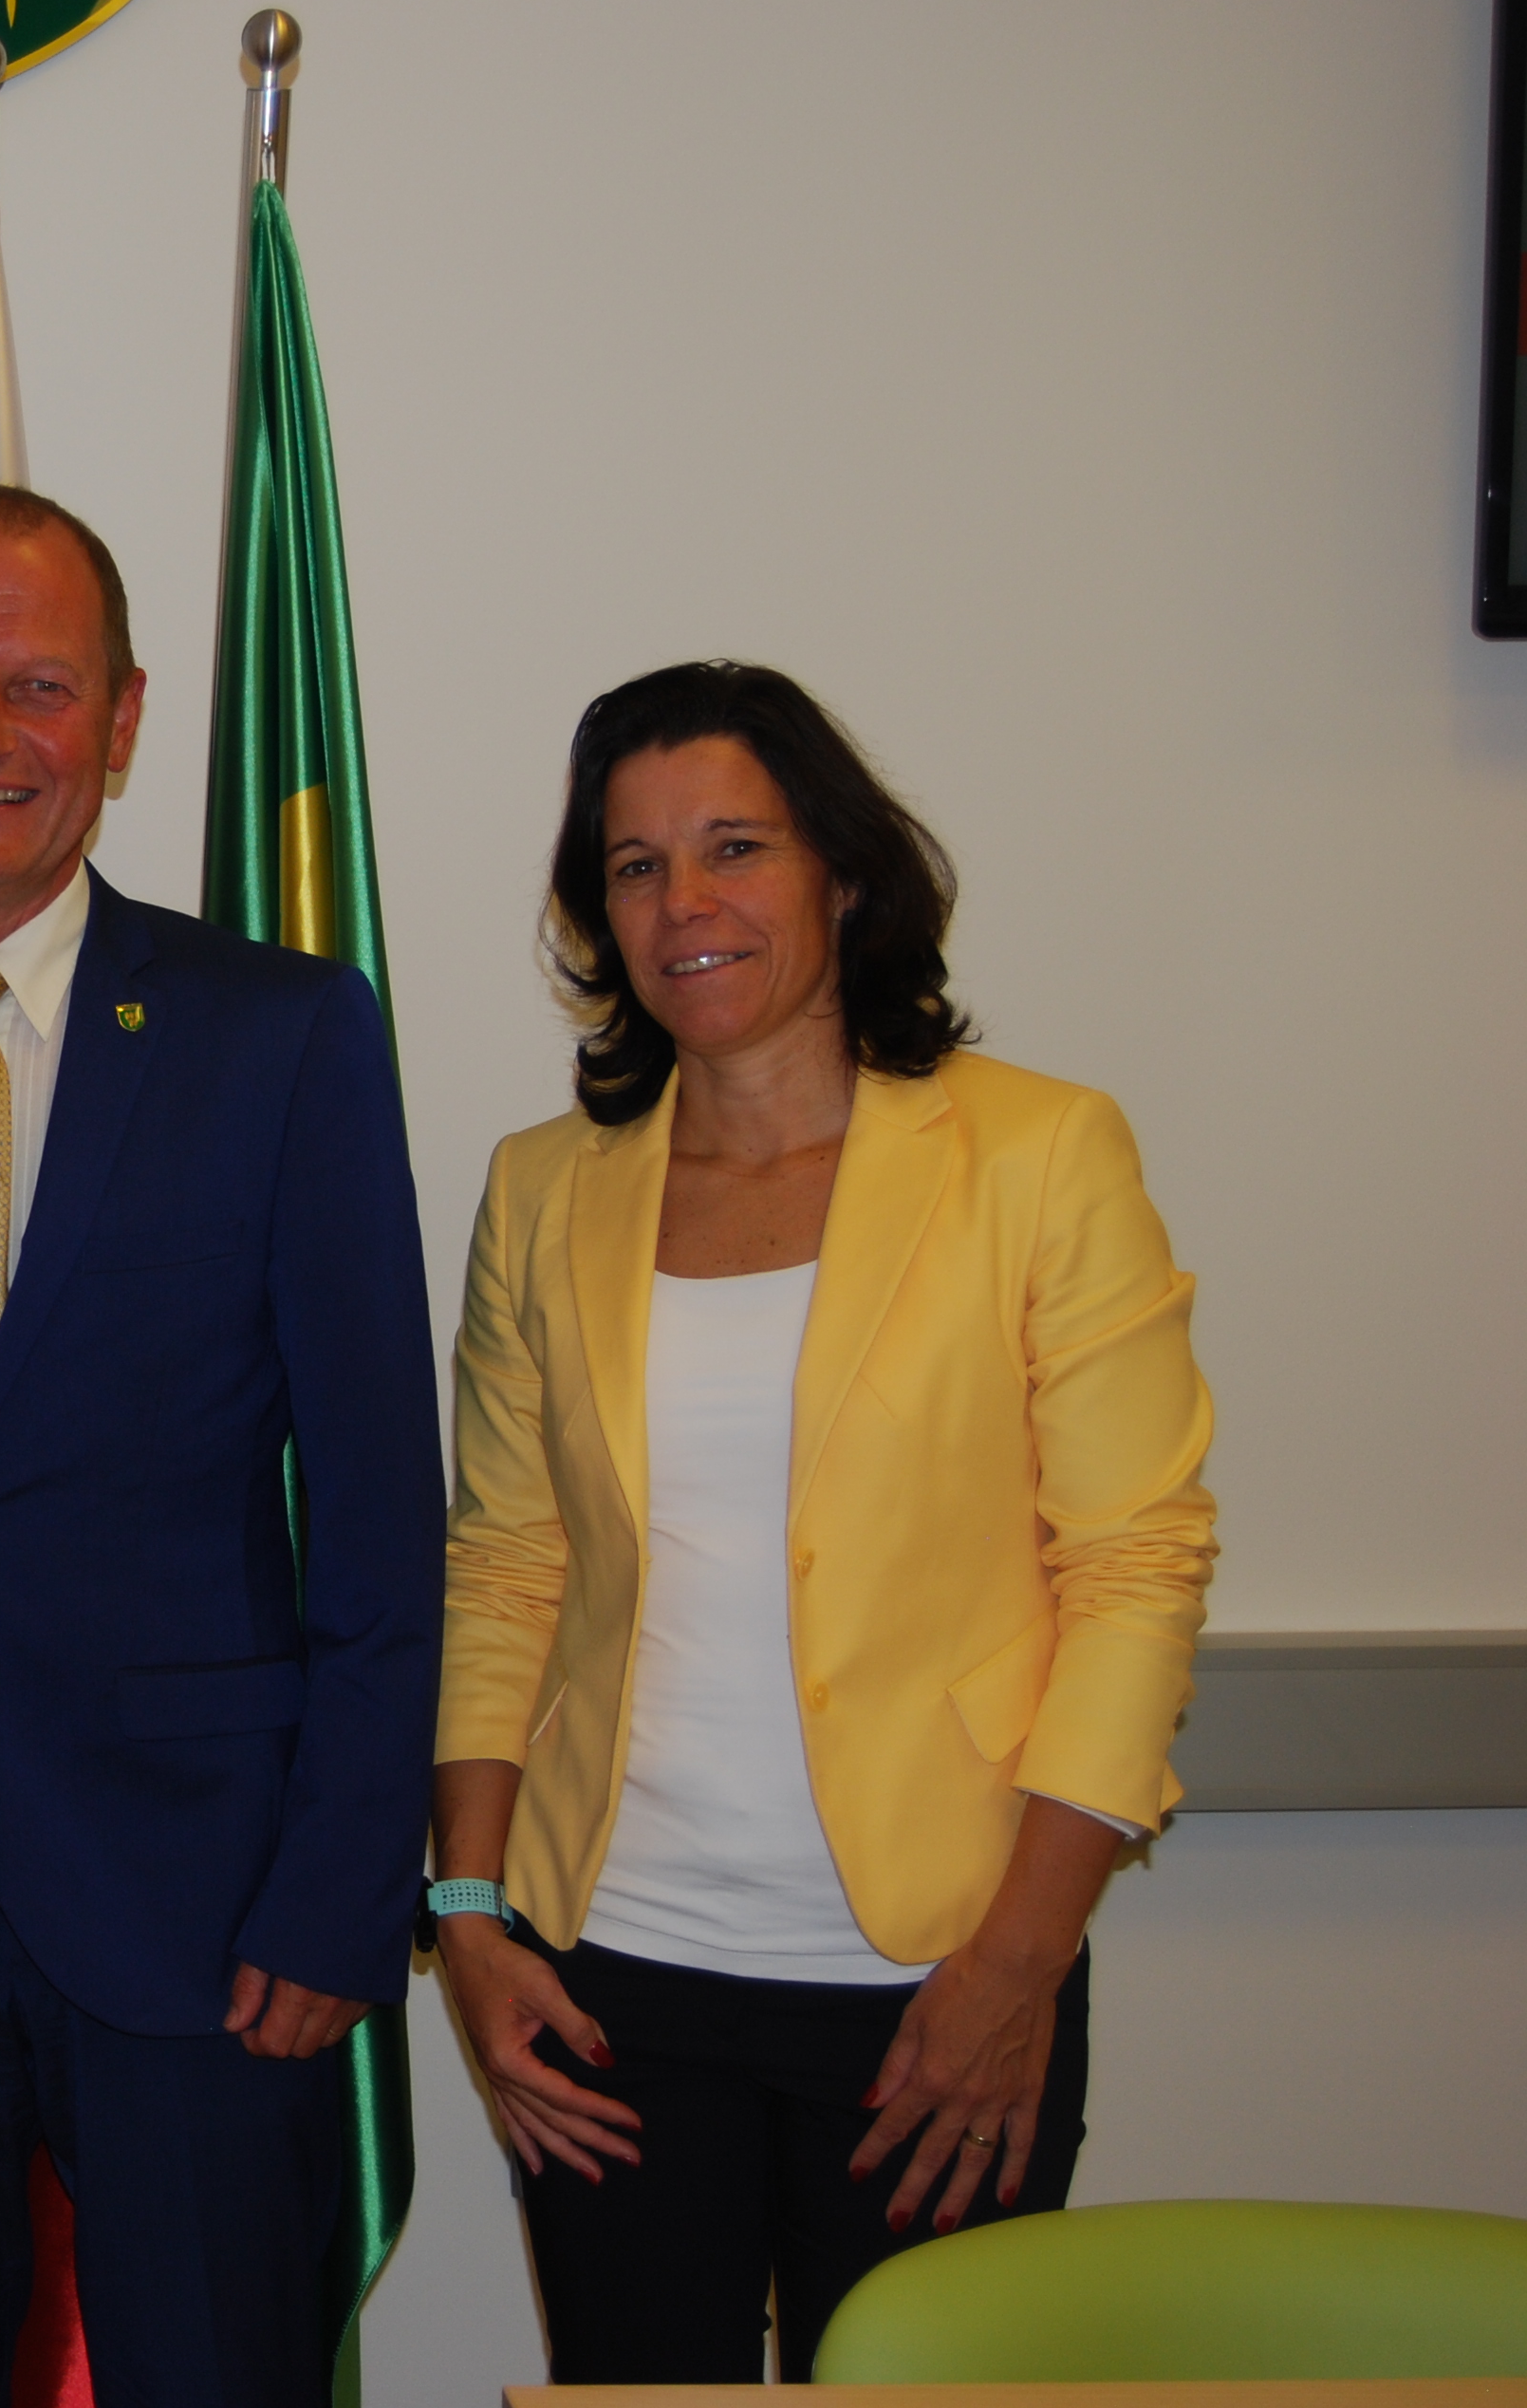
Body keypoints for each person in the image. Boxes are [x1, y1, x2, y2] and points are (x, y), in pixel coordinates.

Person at [429, 660, 1218, 2383]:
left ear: (843, 876)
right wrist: (469, 1917)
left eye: (735, 848)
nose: (684, 903)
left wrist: (1021, 1965)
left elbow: (1136, 1568)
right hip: (609, 1984)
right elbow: (503, 1564)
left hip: (943, 1976)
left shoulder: (1039, 1156)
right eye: (636, 866)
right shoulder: (544, 1188)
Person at [0, 487, 442, 2404]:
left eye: (40, 686)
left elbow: (383, 1510)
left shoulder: (282, 1038)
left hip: (204, 1916)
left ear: (123, 718)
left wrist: (341, 1891)